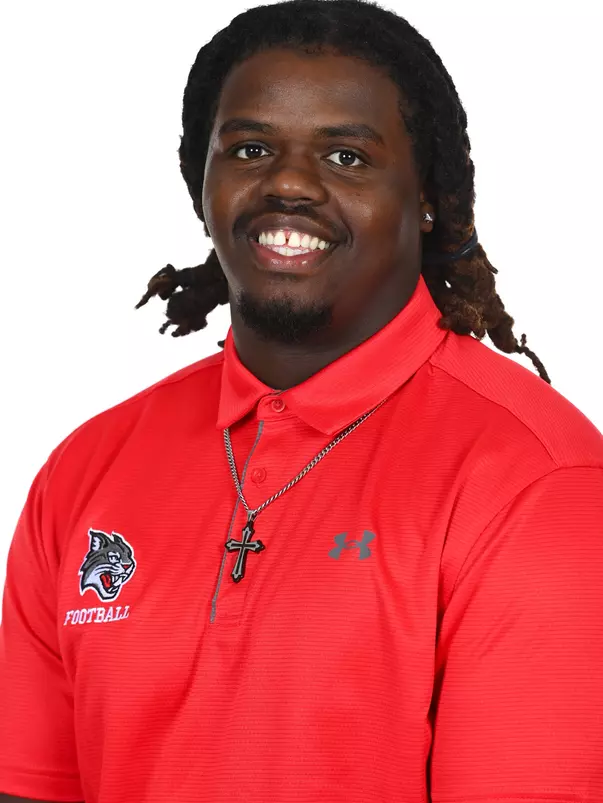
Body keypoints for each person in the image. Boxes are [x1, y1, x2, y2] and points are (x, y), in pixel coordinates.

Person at [1, 0, 602, 800]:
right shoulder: (85, 470)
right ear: (200, 180)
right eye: (249, 148)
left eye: (346, 157)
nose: (287, 182)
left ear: (426, 196)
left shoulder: (535, 482)